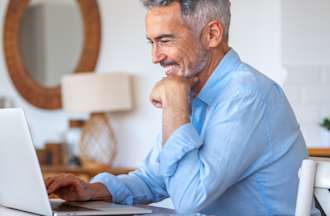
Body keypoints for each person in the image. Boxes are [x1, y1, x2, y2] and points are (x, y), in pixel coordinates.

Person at [46, 0, 320, 215]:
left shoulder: (246, 96)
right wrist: (91, 189)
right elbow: (155, 179)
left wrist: (175, 106)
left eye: (165, 40)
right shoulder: (192, 91)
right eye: (151, 42)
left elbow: (189, 198)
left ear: (212, 34)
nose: (155, 57)